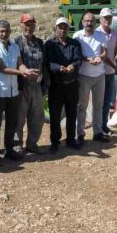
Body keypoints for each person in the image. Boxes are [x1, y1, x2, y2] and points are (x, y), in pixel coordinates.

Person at [0, 19, 36, 162]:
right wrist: (22, 73)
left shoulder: (14, 46)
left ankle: (9, 149)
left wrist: (26, 70)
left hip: (13, 92)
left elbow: (20, 63)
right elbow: (2, 68)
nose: (4, 34)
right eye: (1, 31)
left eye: (7, 31)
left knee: (11, 122)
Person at [45, 17, 83, 152]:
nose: (62, 30)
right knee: (55, 115)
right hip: (56, 85)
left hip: (72, 84)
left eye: (65, 27)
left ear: (68, 29)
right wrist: (58, 68)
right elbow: (47, 63)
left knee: (72, 113)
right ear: (55, 29)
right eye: (60, 27)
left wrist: (73, 65)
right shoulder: (50, 44)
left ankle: (71, 139)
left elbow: (79, 60)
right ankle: (55, 141)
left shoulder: (74, 44)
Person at [73, 11, 109, 144]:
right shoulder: (77, 36)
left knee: (98, 105)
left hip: (99, 75)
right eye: (86, 21)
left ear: (95, 22)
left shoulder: (101, 36)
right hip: (84, 76)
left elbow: (105, 52)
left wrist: (100, 58)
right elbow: (76, 55)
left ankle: (97, 132)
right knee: (82, 105)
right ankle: (80, 133)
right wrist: (88, 59)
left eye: (91, 21)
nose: (89, 23)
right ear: (82, 22)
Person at [15, 14, 48, 154]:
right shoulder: (16, 43)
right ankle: (17, 145)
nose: (29, 27)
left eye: (31, 24)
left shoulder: (40, 43)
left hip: (37, 86)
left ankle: (32, 143)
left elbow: (45, 64)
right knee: (19, 117)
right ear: (21, 25)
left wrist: (46, 83)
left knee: (37, 116)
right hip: (22, 86)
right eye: (26, 24)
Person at [98, 7, 117, 136]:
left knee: (107, 101)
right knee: (99, 102)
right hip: (100, 72)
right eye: (105, 18)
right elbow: (103, 56)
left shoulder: (115, 33)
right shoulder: (97, 33)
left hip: (110, 73)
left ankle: (104, 126)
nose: (107, 20)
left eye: (109, 18)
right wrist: (116, 67)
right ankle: (99, 127)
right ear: (100, 19)